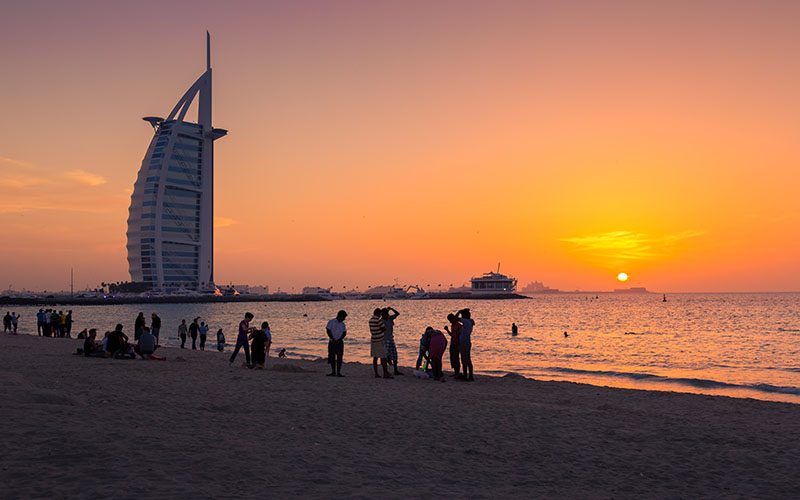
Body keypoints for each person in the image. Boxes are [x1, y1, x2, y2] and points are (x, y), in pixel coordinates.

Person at [369, 308, 392, 379]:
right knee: (383, 357)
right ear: (378, 313)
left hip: (373, 340)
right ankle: (385, 373)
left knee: (375, 357)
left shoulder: (370, 320)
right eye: (380, 314)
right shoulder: (378, 320)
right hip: (379, 340)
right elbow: (383, 328)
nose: (381, 315)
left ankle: (376, 373)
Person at [325, 310, 347, 377]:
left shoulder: (343, 324)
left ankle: (338, 372)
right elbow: (328, 330)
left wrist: (340, 339)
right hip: (332, 341)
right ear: (339, 316)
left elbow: (344, 333)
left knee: (340, 357)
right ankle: (333, 371)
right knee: (332, 357)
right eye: (343, 317)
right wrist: (332, 338)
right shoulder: (331, 322)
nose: (344, 319)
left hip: (340, 342)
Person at [382, 307, 403, 375]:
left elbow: (397, 313)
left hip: (391, 339)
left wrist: (391, 309)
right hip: (385, 339)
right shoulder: (381, 321)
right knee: (385, 356)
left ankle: (395, 370)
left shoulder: (390, 318)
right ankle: (386, 371)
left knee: (395, 355)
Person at [456, 308, 475, 381]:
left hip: (464, 342)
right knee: (467, 359)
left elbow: (455, 318)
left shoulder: (466, 321)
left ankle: (466, 376)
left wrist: (458, 311)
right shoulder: (470, 321)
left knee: (464, 359)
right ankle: (469, 376)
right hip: (466, 341)